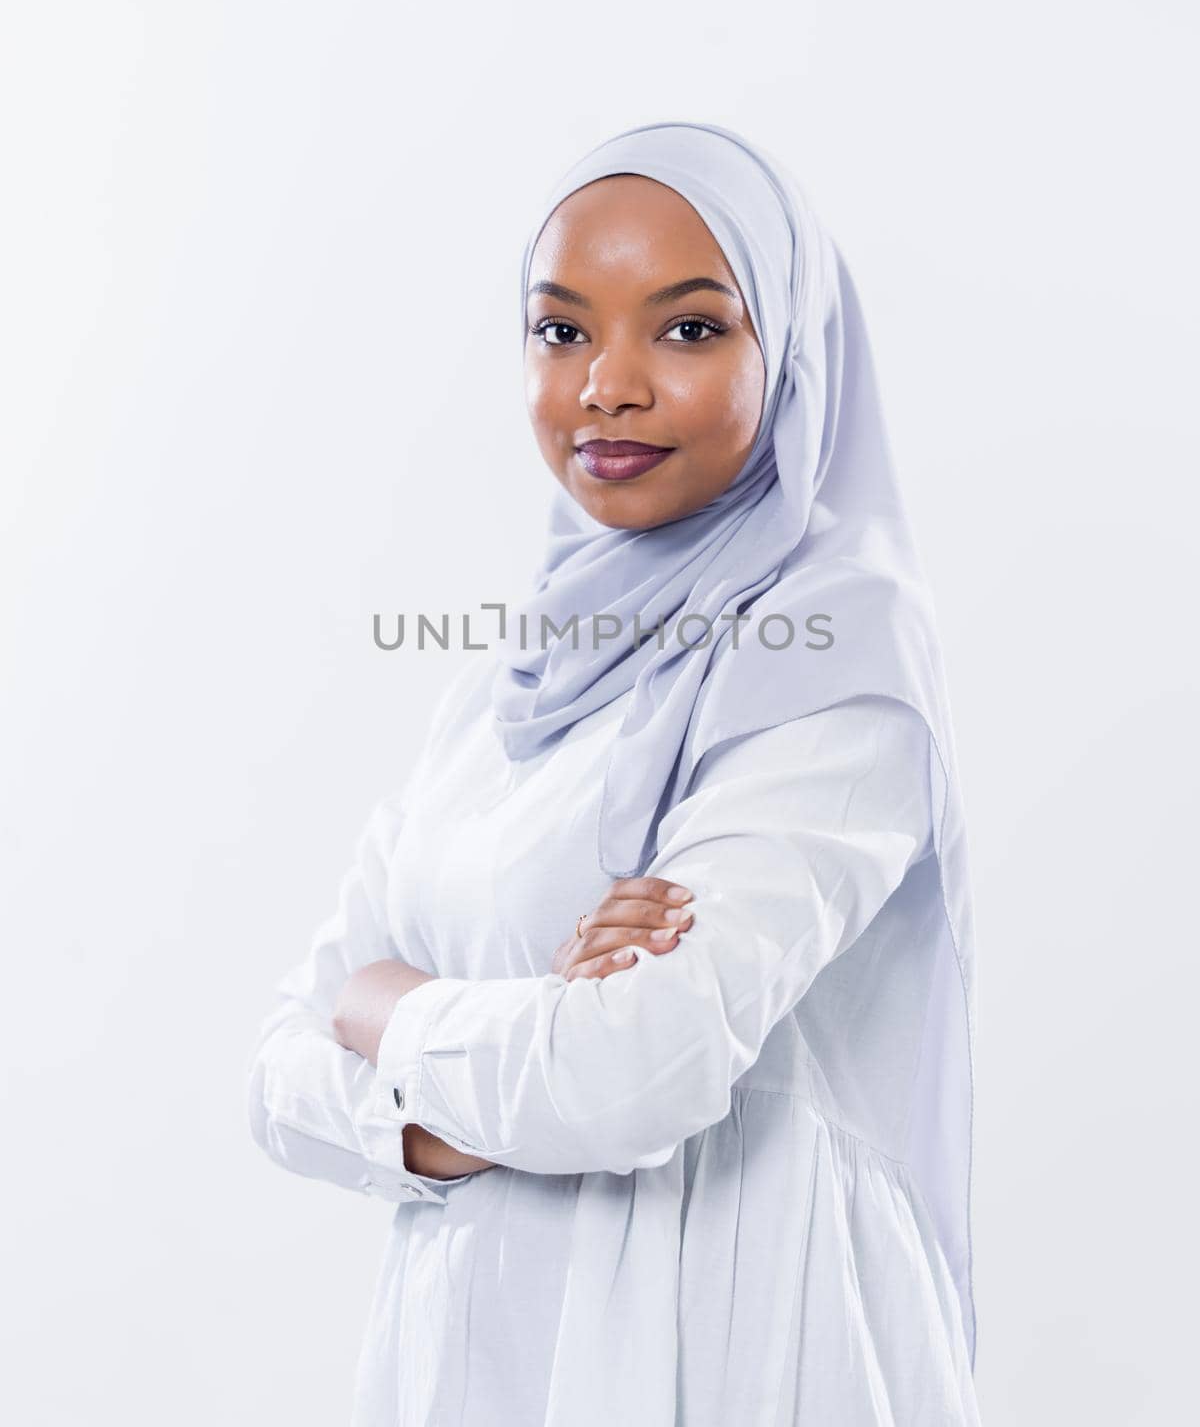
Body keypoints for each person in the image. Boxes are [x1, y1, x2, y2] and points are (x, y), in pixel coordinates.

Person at [246, 119, 983, 1425]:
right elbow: (280, 1074)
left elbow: (632, 1077)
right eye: (562, 330)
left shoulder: (835, 661)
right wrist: (475, 1081)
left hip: (735, 1354)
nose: (609, 385)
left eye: (689, 330)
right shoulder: (504, 688)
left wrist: (392, 1010)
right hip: (472, 1365)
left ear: (793, 352)